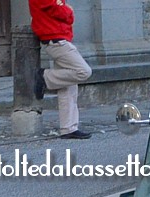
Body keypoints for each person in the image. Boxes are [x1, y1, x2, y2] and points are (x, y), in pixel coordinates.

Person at [30, 0, 93, 139]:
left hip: (57, 37)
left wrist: (65, 10)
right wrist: (68, 10)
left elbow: (60, 9)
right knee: (83, 71)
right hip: (55, 39)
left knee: (68, 85)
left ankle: (68, 128)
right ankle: (44, 77)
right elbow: (57, 10)